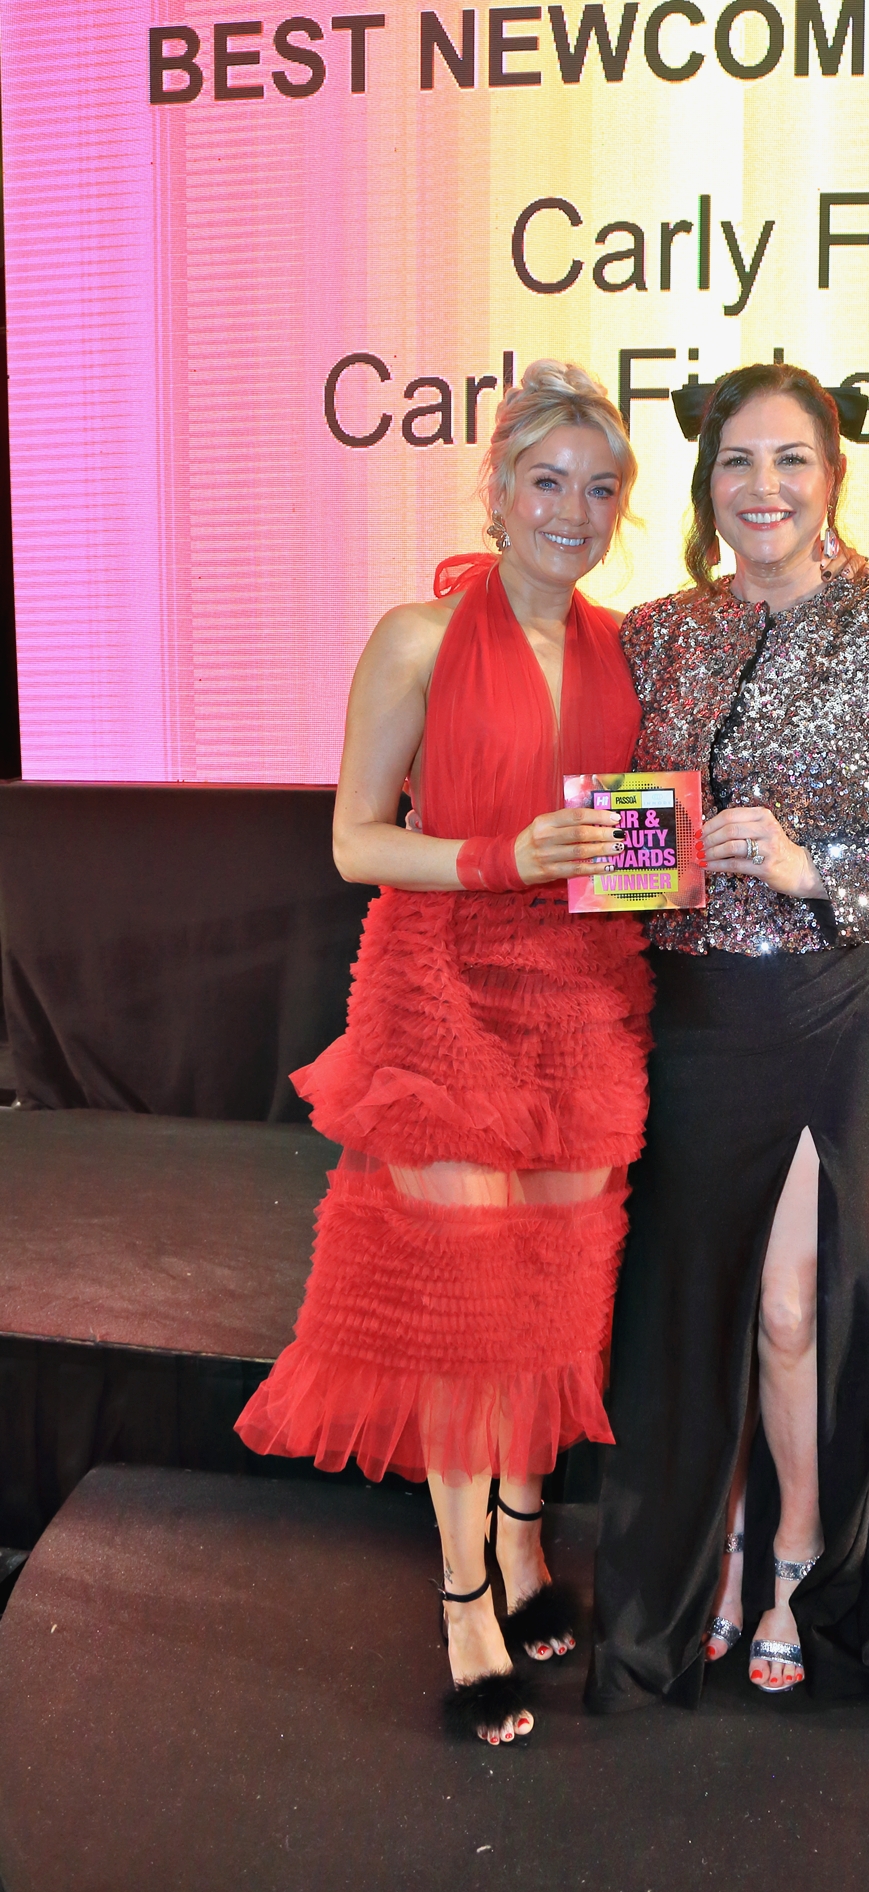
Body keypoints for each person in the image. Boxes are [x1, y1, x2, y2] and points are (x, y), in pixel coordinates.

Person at [236, 361, 653, 1746]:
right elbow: (355, 841)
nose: (572, 511)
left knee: (555, 1288)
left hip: (582, 990)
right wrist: (497, 856)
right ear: (496, 485)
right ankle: (466, 1594)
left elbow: (634, 834)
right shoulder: (416, 637)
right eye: (547, 481)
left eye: (600, 489)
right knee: (466, 1305)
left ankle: (524, 1540)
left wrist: (666, 857)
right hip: (442, 987)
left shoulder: (627, 649)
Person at [586, 363, 869, 1718]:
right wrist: (618, 853)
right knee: (690, 1299)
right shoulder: (656, 634)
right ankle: (708, 1543)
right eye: (735, 462)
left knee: (786, 1308)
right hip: (690, 1015)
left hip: (832, 1008)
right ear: (705, 484)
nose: (760, 487)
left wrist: (807, 862)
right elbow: (628, 844)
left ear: (832, 477)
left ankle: (798, 1555)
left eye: (789, 461)